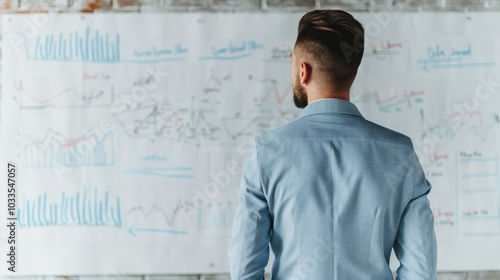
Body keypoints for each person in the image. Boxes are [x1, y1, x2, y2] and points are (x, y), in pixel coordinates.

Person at [228, 9, 437, 280]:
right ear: (351, 71)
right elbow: (421, 270)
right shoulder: (400, 152)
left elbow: (245, 269)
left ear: (302, 70)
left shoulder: (266, 152)